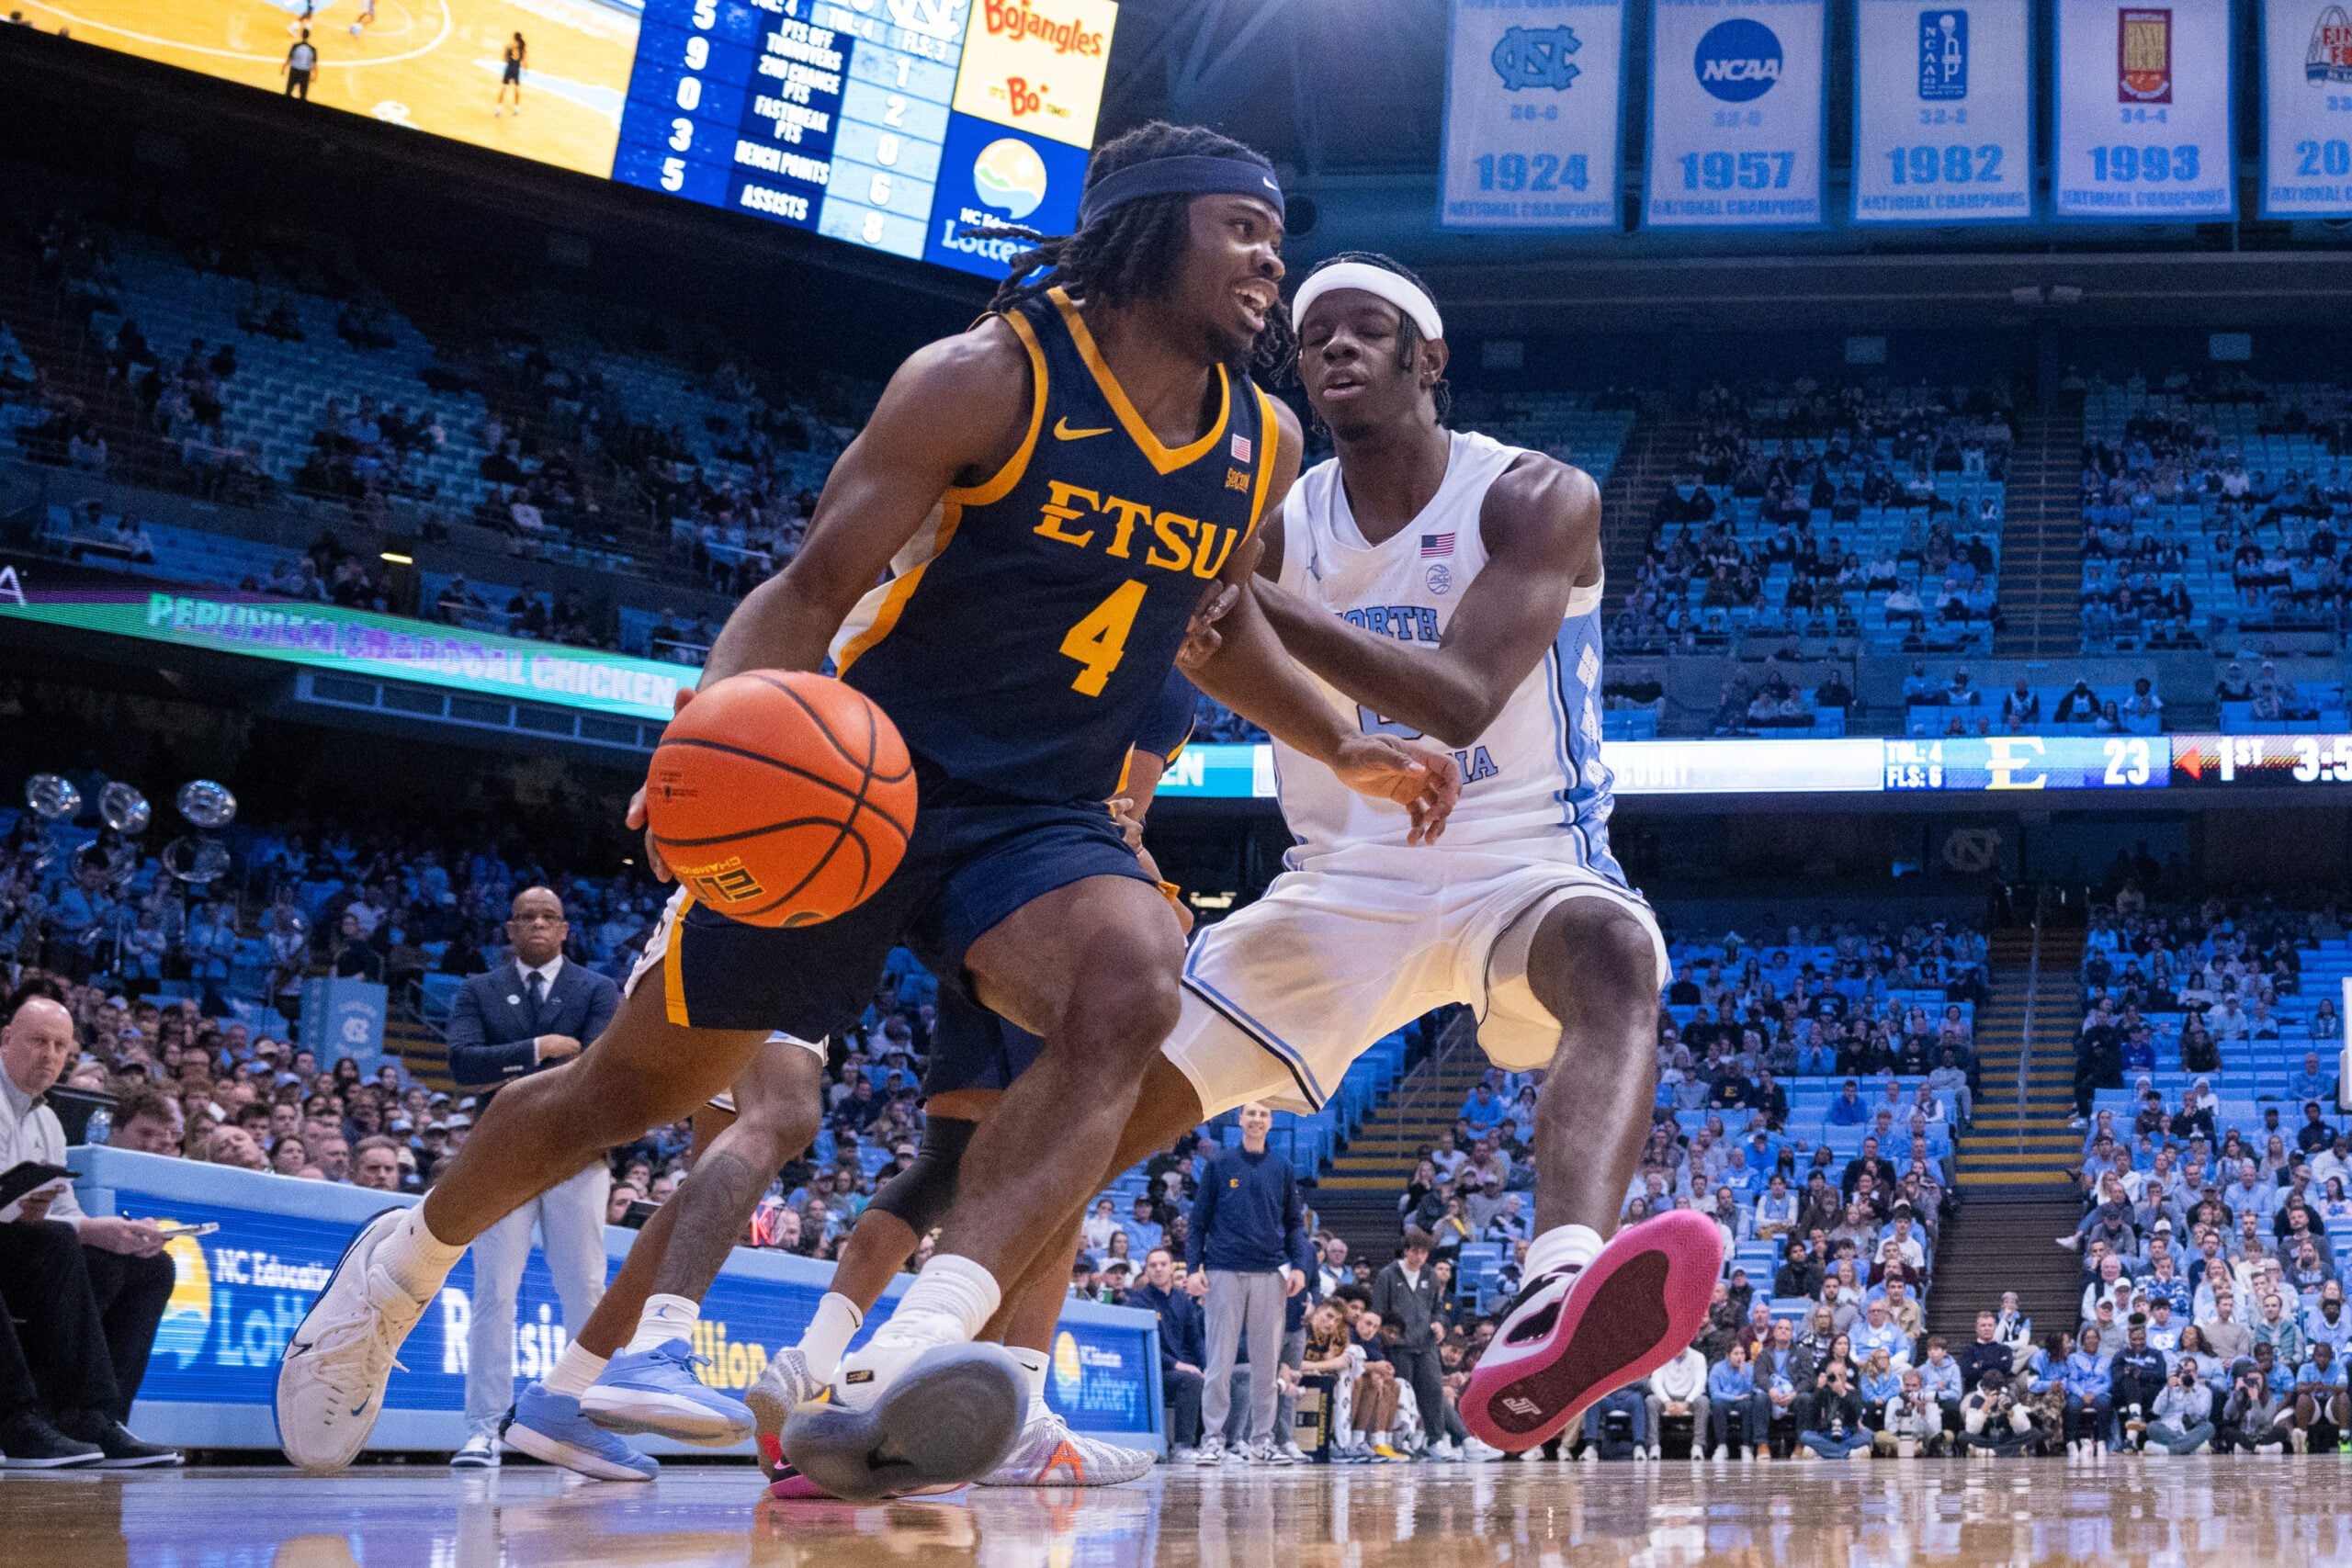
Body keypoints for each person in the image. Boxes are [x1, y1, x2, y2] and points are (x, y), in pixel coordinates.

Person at [276, 123, 1457, 1495]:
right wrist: (707, 739)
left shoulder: (1262, 437)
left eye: (1278, 233)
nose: (1273, 261)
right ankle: (401, 1259)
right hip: (858, 779)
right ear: (1147, 232)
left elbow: (1217, 621)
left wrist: (1343, 739)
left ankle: (927, 1350)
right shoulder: (986, 377)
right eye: (1241, 228)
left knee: (1136, 974)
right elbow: (808, 587)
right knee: (633, 1086)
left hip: (1035, 813)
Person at [1141, 250, 1722, 1460]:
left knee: (1617, 952)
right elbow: (1191, 652)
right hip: (1342, 880)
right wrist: (1132, 788)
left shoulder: (1532, 496)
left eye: (1365, 331)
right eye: (1314, 340)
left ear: (1430, 358)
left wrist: (1249, 598)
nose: (1334, 351)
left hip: (1522, 861)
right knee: (1104, 1085)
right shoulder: (1275, 517)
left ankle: (1556, 1290)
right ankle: (950, 1334)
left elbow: (1458, 699)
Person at [437, 887, 621, 1469]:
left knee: (584, 1293)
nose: (538, 924)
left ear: (565, 929)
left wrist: (509, 1064)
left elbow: (604, 1066)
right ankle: (483, 1428)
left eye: (549, 917)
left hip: (577, 1154)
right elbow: (463, 1065)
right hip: (501, 1155)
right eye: (526, 917)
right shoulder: (478, 990)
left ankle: (577, 1426)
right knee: (493, 1292)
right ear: (510, 929)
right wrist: (539, 1047)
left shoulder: (597, 989)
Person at [0, 995, 182, 1466]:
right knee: (57, 1241)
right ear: (6, 1041)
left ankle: (102, 1419)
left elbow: (60, 1210)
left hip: (26, 1246)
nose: (49, 1055)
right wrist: (75, 1227)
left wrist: (108, 1232)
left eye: (60, 1046)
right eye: (38, 1041)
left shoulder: (47, 1120)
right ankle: (21, 1420)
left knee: (149, 1267)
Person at [1189, 1102, 1312, 1464]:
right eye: (1252, 1113)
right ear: (1240, 1119)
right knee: (1219, 1362)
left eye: (1264, 1115)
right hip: (1223, 1270)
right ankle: (1213, 1439)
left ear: (1271, 1123)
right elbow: (1198, 1222)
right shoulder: (1220, 1165)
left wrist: (1300, 1268)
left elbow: (1294, 1224)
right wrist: (1194, 1267)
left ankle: (1262, 1442)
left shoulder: (1283, 1168)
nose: (1257, 1119)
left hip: (1270, 1273)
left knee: (1265, 1364)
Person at [1129, 1247, 1207, 1459]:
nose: (1158, 1269)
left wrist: (1208, 1367)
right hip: (1154, 1371)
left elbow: (1195, 1339)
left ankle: (1223, 1444)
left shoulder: (1182, 1299)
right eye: (1153, 1265)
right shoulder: (1138, 1300)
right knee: (1190, 1381)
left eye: (1163, 1264)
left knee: (1220, 1380)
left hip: (1185, 1367)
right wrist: (1176, 1364)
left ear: (1172, 1268)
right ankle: (1182, 1446)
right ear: (1146, 1270)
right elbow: (1144, 1346)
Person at [1799, 1360, 1871, 1461]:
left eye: (1841, 1375)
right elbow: (1810, 1414)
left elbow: (1857, 1413)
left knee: (1867, 1434)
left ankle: (1825, 1452)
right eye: (1833, 1376)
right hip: (1825, 1434)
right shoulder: (1822, 1392)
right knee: (1805, 1436)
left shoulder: (1853, 1392)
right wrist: (1819, 1388)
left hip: (1848, 1434)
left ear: (1846, 1377)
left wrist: (1842, 1393)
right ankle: (1848, 1453)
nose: (1837, 1379)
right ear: (1827, 1377)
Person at [494, 32, 525, 116]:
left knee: (506, 90)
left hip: (510, 71)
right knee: (514, 90)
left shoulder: (510, 48)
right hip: (515, 72)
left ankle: (500, 109)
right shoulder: (521, 49)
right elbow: (523, 61)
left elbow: (504, 59)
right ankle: (514, 108)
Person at [282, 28, 315, 99]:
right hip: (305, 73)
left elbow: (289, 59)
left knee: (288, 91)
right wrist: (314, 75)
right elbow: (314, 64)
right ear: (309, 36)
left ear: (301, 35)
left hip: (294, 71)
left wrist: (283, 68)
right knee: (303, 94)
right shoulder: (312, 49)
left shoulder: (295, 46)